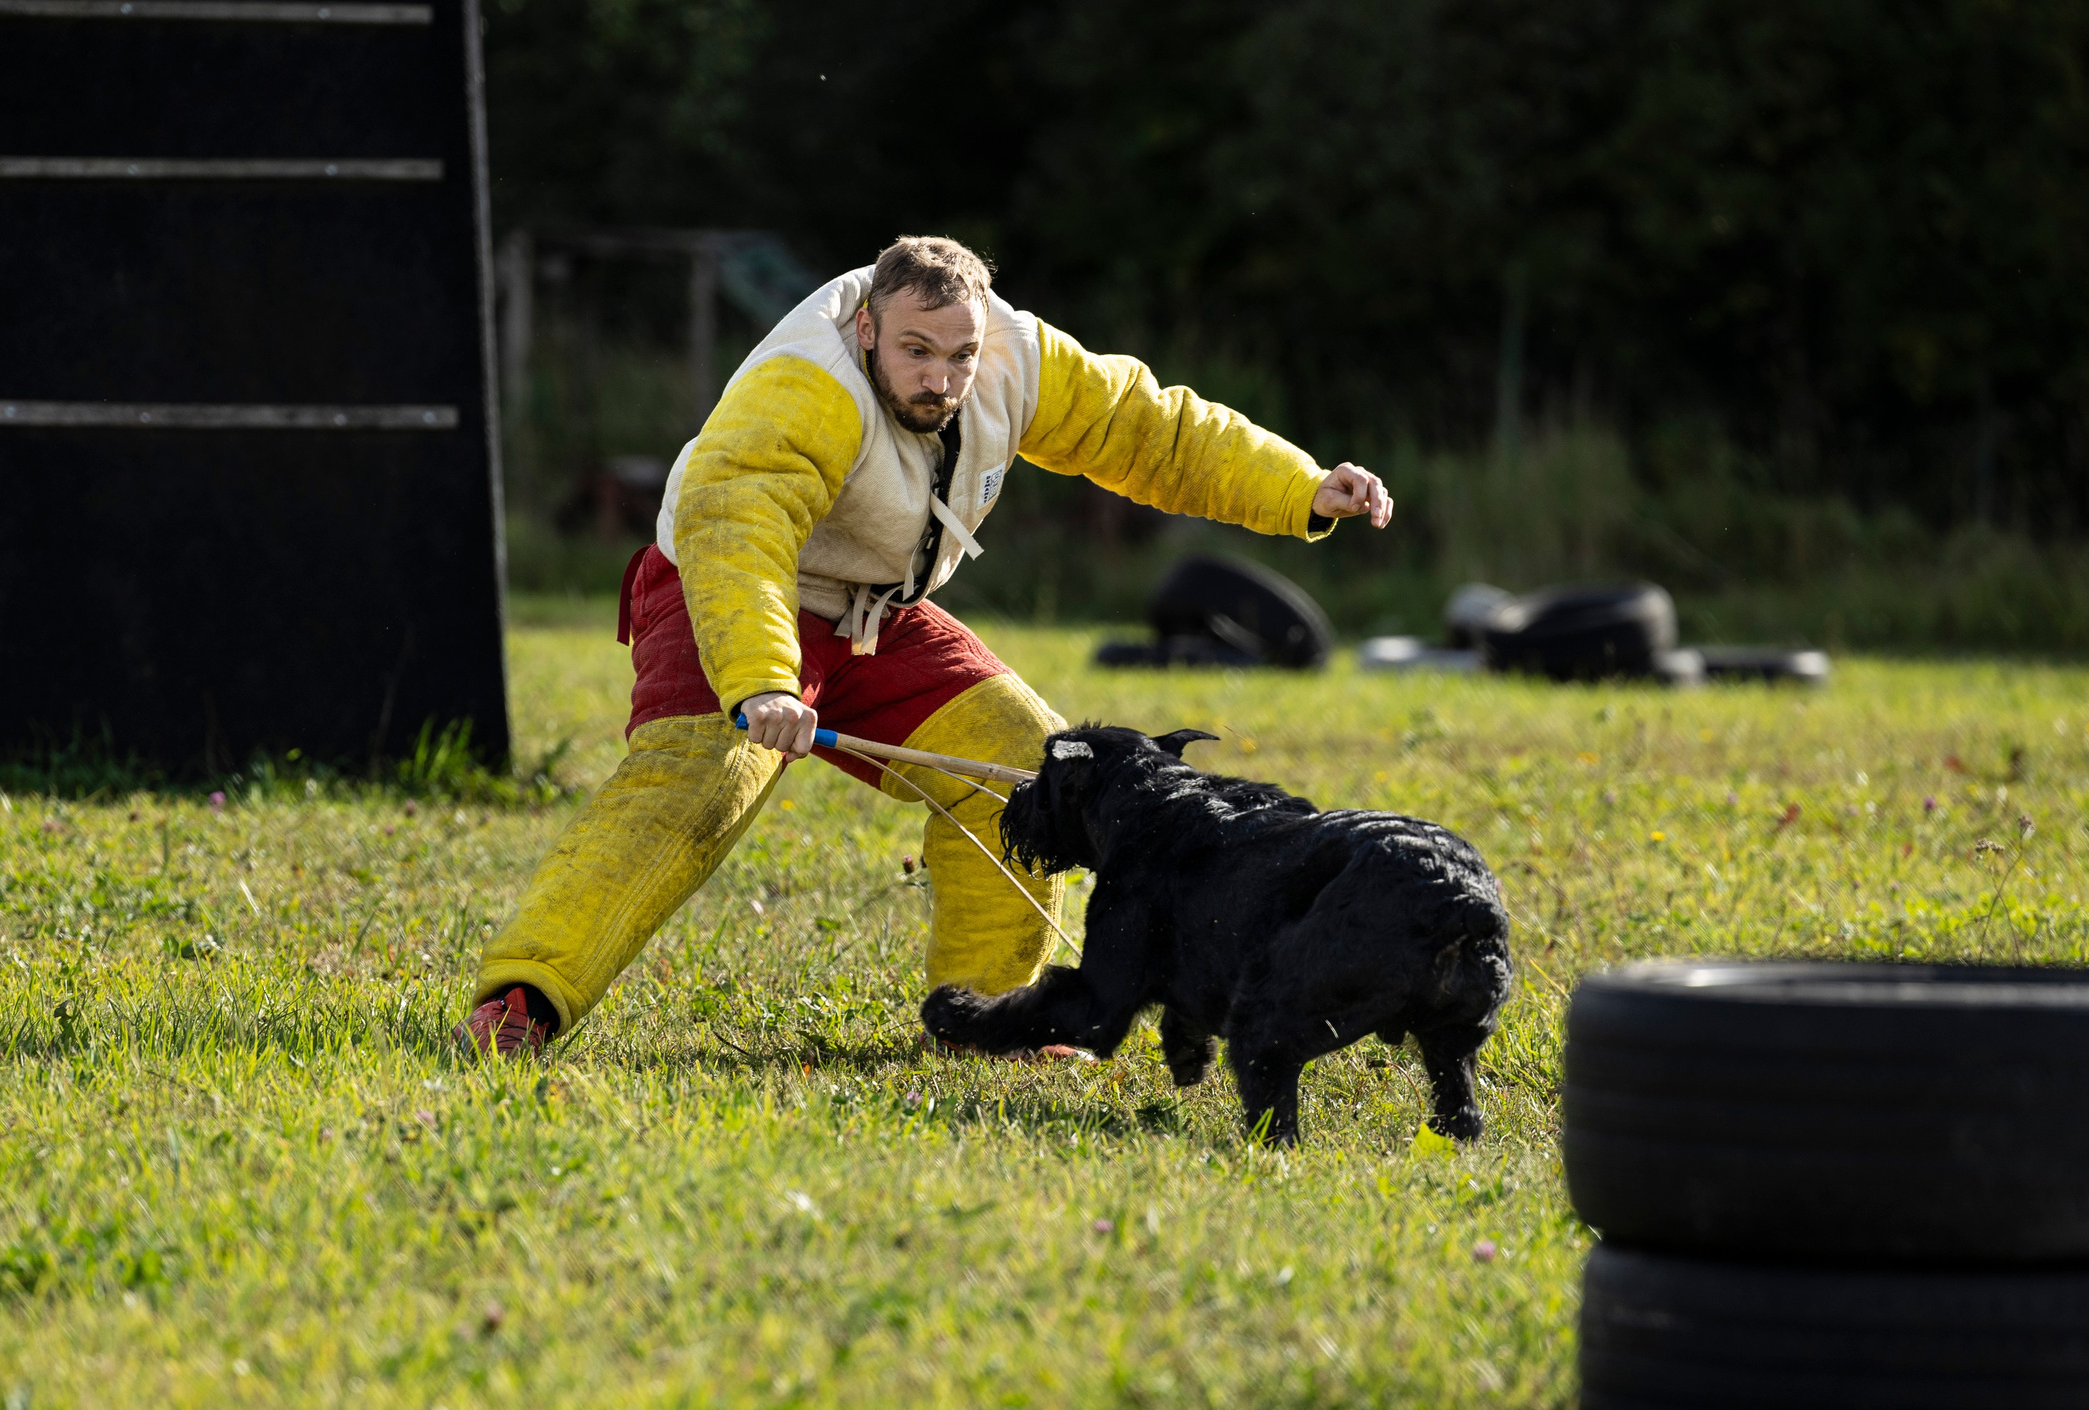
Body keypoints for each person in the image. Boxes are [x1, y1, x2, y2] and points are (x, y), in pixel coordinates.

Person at [460, 235, 1393, 1056]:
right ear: (868, 327)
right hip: (728, 592)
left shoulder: (1016, 356)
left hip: (878, 616)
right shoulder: (806, 382)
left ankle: (983, 1019)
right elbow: (736, 526)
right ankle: (523, 999)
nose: (941, 380)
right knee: (702, 784)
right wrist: (762, 681)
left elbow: (1149, 430)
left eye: (959, 356)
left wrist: (1301, 488)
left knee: (1025, 771)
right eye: (915, 351)